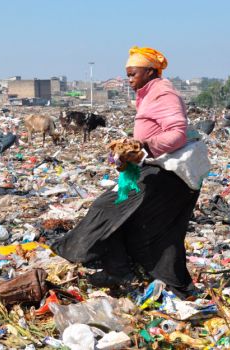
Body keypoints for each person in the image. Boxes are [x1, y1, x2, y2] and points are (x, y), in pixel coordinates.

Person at [52, 46, 201, 298]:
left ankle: (100, 262)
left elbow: (176, 132)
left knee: (107, 208)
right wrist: (127, 153)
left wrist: (145, 147)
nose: (129, 79)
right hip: (154, 170)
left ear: (151, 71)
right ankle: (146, 277)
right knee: (151, 228)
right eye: (128, 74)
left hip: (168, 176)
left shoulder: (163, 94)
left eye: (133, 74)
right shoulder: (148, 94)